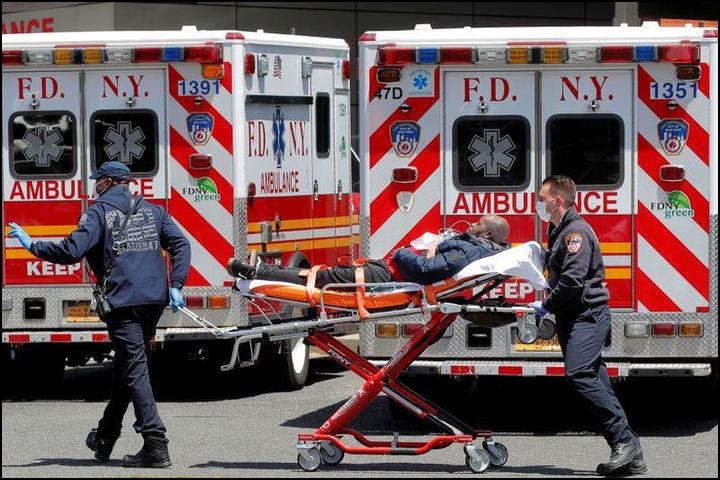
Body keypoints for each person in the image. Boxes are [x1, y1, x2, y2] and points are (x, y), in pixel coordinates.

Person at [8, 161, 191, 468]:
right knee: (126, 366)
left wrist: (34, 246)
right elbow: (181, 244)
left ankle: (155, 443)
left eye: (98, 181)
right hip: (153, 301)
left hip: (123, 302)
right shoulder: (153, 211)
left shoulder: (98, 212)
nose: (95, 186)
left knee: (134, 369)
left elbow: (71, 251)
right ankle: (105, 437)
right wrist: (177, 284)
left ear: (107, 182)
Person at [529, 175, 645, 477]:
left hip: (587, 315)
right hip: (573, 316)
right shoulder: (558, 230)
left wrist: (547, 304)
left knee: (579, 373)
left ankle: (623, 441)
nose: (538, 204)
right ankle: (631, 453)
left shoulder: (575, 232)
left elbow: (572, 280)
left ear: (558, 200)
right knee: (595, 378)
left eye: (542, 199)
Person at [226, 215, 510, 287]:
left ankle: (258, 272)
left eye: (478, 223)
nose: (471, 224)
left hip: (388, 277)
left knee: (321, 278)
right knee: (323, 276)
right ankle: (261, 271)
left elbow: (426, 270)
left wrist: (401, 253)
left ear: (487, 234)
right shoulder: (475, 248)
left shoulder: (468, 251)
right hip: (389, 274)